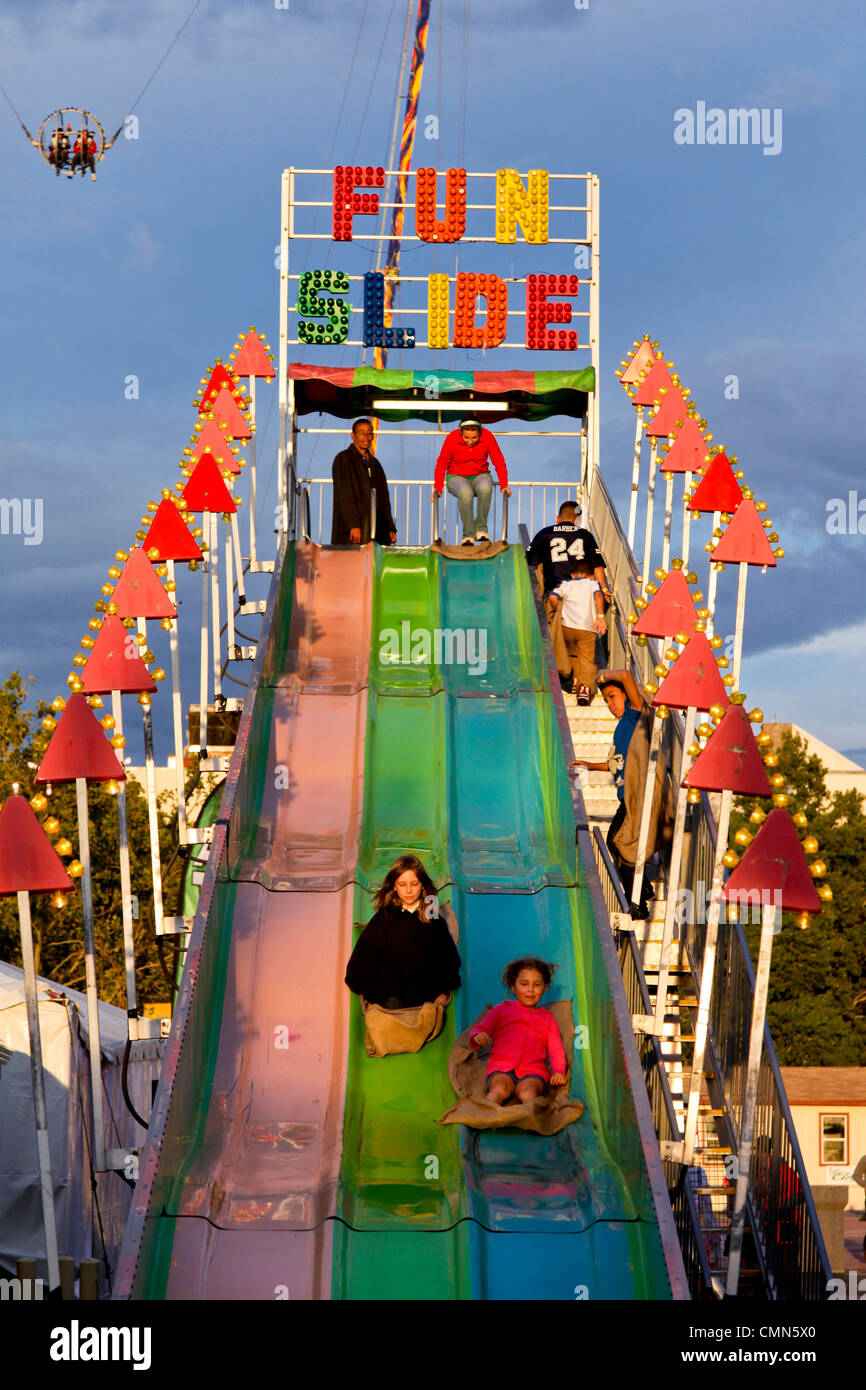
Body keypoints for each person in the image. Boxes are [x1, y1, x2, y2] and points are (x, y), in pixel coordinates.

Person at [570, 668, 654, 918]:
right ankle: (643, 891)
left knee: (618, 844)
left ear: (627, 697)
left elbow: (627, 676)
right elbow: (615, 763)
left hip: (635, 795)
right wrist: (589, 765)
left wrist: (603, 675)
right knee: (616, 845)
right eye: (605, 699)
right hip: (624, 797)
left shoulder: (633, 717)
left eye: (612, 697)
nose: (609, 704)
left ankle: (638, 902)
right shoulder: (621, 728)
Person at [344, 854, 461, 1009]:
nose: (408, 890)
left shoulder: (433, 919)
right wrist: (369, 994)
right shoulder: (383, 918)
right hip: (390, 995)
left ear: (422, 885)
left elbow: (447, 960)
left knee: (427, 1009)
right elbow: (362, 962)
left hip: (425, 995)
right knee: (390, 1001)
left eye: (414, 883)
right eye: (402, 884)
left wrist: (442, 992)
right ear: (394, 885)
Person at [469, 957, 567, 1105]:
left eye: (537, 985)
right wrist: (478, 1036)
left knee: (528, 1093)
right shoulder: (501, 1010)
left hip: (534, 1071)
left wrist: (559, 1071)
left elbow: (556, 1048)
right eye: (524, 984)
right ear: (513, 987)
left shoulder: (548, 1018)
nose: (530, 990)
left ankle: (531, 1121)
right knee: (499, 1089)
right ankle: (486, 1116)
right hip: (501, 1068)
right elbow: (481, 1028)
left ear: (545, 987)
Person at [432, 417, 511, 546]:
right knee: (465, 493)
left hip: (480, 475)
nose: (470, 441)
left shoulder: (488, 437)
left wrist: (504, 485)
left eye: (474, 438)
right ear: (461, 432)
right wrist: (438, 488)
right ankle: (468, 535)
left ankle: (480, 529)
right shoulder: (452, 438)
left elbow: (499, 461)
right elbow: (441, 464)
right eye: (466, 438)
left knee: (486, 487)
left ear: (480, 432)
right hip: (456, 476)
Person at [548, 556, 607, 705]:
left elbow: (553, 598)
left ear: (572, 575)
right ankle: (585, 688)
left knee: (572, 654)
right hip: (587, 627)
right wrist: (600, 616)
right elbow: (599, 596)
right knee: (586, 658)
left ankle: (574, 682)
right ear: (592, 575)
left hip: (566, 627)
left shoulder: (565, 584)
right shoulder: (592, 584)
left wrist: (557, 611)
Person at [331, 418, 397, 546]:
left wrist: (390, 527)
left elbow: (384, 498)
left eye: (369, 433)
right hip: (353, 531)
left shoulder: (375, 464)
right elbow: (344, 494)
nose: (366, 437)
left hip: (376, 530)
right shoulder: (343, 459)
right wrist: (353, 524)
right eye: (361, 433)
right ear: (353, 435)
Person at [527, 500, 609, 601]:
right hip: (580, 594)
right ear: (579, 520)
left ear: (557, 519)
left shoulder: (544, 533)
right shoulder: (585, 535)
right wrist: (604, 590)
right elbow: (597, 566)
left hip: (554, 592)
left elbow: (530, 563)